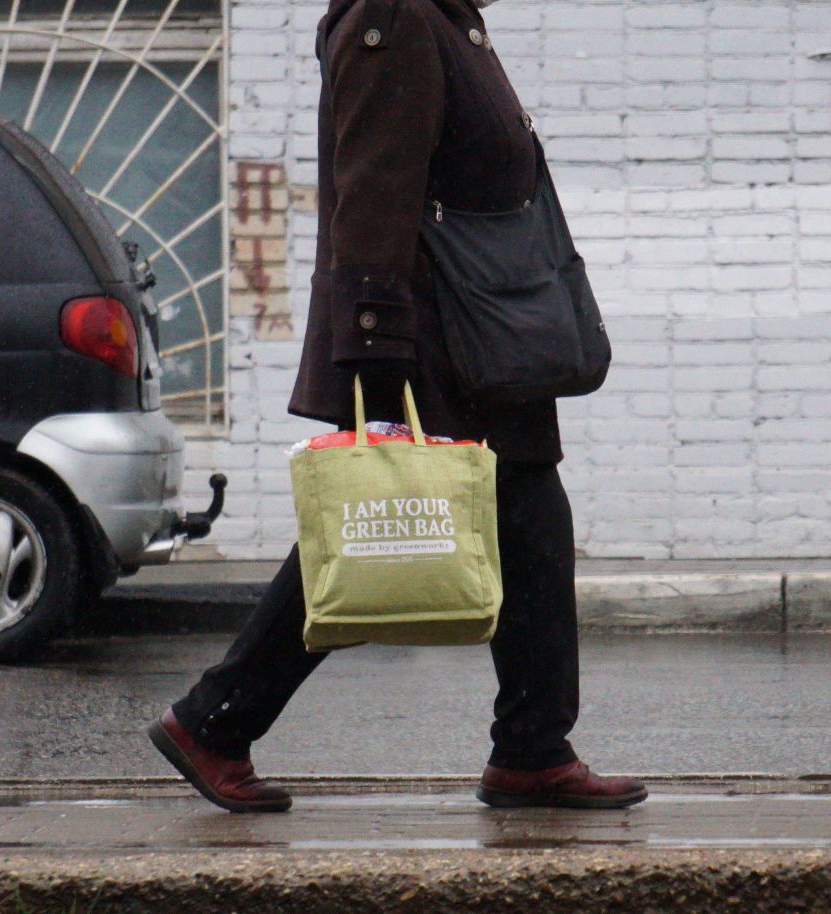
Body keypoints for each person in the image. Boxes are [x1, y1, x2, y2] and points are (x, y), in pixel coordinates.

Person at [147, 0, 647, 813]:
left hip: (485, 323)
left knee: (529, 523)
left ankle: (532, 749)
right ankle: (214, 721)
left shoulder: (446, 20)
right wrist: (375, 342)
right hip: (429, 329)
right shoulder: (397, 15)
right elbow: (372, 183)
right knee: (377, 522)